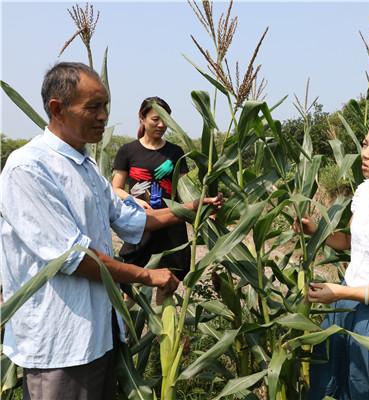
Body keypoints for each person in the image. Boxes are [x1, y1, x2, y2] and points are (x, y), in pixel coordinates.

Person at [0, 62, 222, 400]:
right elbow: (73, 257)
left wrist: (190, 209)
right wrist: (147, 277)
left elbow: (131, 218)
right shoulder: (29, 167)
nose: (104, 115)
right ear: (57, 109)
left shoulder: (85, 165)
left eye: (105, 105)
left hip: (100, 336)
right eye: (93, 107)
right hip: (62, 344)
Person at [294, 114, 369, 399]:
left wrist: (345, 291)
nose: (363, 153)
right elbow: (351, 242)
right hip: (343, 309)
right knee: (330, 388)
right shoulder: (365, 193)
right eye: (364, 144)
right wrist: (316, 231)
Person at [112, 97, 190, 288]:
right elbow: (115, 188)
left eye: (166, 120)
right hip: (142, 224)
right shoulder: (128, 151)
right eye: (156, 119)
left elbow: (185, 189)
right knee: (130, 283)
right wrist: (134, 201)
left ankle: (164, 318)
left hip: (171, 226)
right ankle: (129, 318)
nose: (161, 125)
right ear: (142, 118)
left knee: (169, 282)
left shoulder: (176, 152)